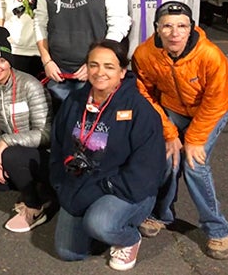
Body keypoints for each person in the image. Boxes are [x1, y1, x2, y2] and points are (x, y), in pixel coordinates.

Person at [51, 40, 165, 271]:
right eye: (94, 65)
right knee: (67, 252)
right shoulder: (73, 102)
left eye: (109, 66)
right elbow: (57, 147)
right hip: (81, 183)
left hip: (123, 187)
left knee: (100, 224)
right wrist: (61, 185)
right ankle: (97, 223)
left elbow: (149, 168)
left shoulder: (139, 109)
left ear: (122, 72)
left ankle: (129, 237)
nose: (100, 72)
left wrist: (104, 188)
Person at [132, 1, 228, 260]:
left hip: (210, 110)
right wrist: (169, 133)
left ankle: (217, 229)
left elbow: (215, 100)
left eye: (181, 26)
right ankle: (161, 214)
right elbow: (145, 94)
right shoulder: (145, 54)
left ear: (191, 29)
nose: (174, 32)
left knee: (194, 164)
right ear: (157, 28)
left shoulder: (210, 56)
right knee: (167, 158)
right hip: (173, 109)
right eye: (167, 26)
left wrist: (194, 139)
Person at [0, 27, 53, 233]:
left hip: (42, 156)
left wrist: (7, 141)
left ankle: (35, 207)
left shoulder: (30, 85)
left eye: (1, 60)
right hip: (13, 155)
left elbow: (46, 134)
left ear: (9, 61)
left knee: (11, 154)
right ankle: (38, 190)